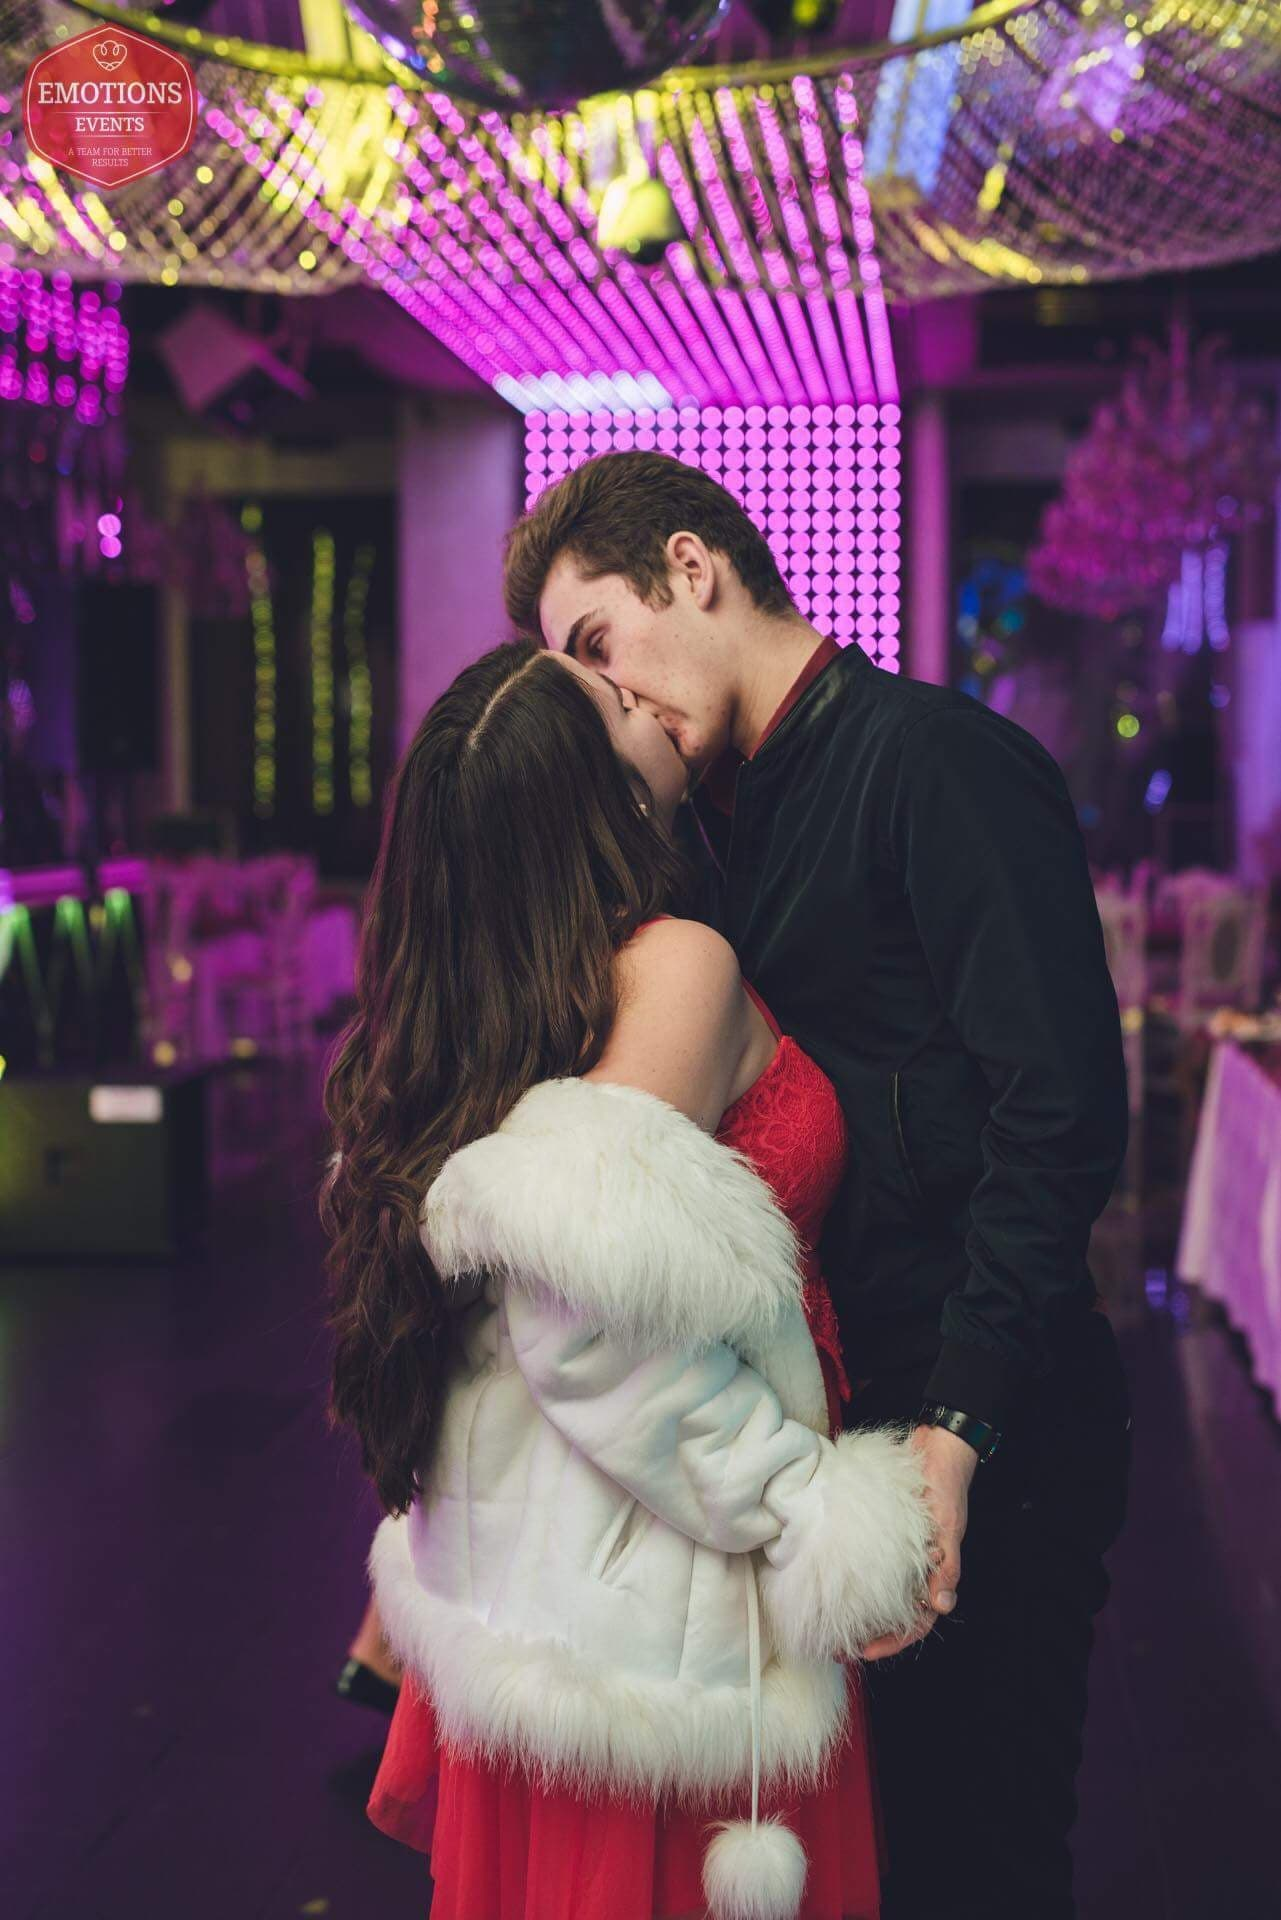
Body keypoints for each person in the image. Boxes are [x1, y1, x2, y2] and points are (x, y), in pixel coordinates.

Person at [502, 452, 1134, 1920]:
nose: (612, 696)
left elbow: (1058, 1116)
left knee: (980, 1862)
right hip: (829, 1454)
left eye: (600, 643)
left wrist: (962, 1425)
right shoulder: (708, 819)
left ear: (691, 566)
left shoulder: (936, 762)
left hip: (986, 1422)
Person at [321, 639, 936, 1920]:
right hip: (665, 1630)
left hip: (565, 1600)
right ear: (599, 796)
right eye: (613, 696)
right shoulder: (673, 964)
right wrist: (810, 1514)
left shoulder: (507, 989)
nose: (643, 691)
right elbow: (589, 1321)